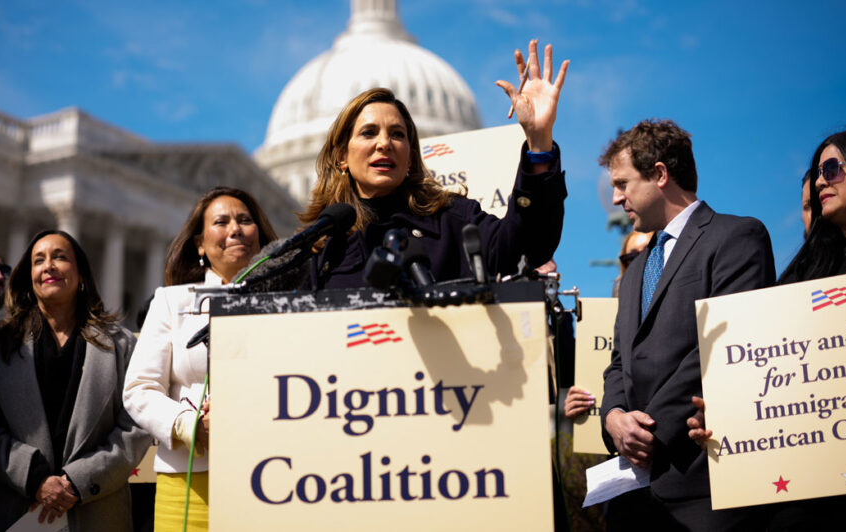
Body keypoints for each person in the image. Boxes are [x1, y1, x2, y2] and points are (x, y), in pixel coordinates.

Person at [689, 128, 846, 529]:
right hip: (806, 504)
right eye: (817, 172)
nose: (820, 181)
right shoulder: (794, 285)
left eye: (832, 169)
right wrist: (728, 411)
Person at [599, 119, 776, 530]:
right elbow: (618, 363)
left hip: (705, 484)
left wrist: (648, 433)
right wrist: (613, 419)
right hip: (634, 495)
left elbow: (722, 347)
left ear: (660, 174)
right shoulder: (636, 269)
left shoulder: (736, 237)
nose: (615, 197)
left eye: (623, 184)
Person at [303, 39, 568, 289]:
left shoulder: (451, 222)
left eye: (397, 134)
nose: (384, 144)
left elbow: (525, 246)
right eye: (369, 133)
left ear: (409, 157)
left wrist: (539, 141)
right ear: (341, 158)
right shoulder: (320, 248)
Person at [0, 230, 151, 531]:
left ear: (81, 275)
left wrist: (77, 482)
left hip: (97, 512)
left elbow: (136, 425)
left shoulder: (120, 344)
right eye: (38, 260)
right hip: (18, 510)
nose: (49, 266)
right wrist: (34, 478)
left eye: (60, 257)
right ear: (30, 278)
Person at [123, 187, 278, 532]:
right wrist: (188, 426)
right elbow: (139, 389)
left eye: (245, 220)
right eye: (221, 222)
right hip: (190, 477)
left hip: (274, 473)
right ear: (200, 244)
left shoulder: (290, 302)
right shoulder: (172, 302)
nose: (235, 229)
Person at [563, 229, 652, 421]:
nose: (641, 263)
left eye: (649, 252)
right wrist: (578, 403)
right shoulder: (602, 322)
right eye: (631, 258)